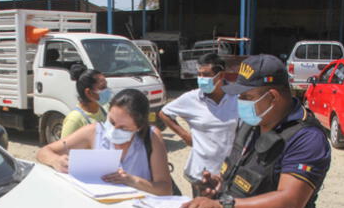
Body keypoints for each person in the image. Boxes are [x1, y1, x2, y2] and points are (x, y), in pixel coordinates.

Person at [179, 54, 331, 208]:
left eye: (247, 97)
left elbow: (289, 203)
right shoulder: (253, 124)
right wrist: (218, 185)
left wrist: (222, 207)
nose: (240, 103)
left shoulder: (306, 139)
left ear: (272, 96)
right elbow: (243, 173)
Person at [37, 89, 172, 196]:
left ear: (139, 127)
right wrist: (56, 160)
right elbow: (43, 152)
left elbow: (165, 189)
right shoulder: (93, 132)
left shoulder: (151, 137)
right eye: (112, 122)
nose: (114, 130)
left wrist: (132, 180)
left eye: (123, 128)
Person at [159, 53, 238, 197]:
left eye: (206, 75)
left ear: (220, 76)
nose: (201, 79)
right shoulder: (192, 98)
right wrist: (185, 135)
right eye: (199, 74)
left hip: (228, 171)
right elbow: (164, 113)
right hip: (201, 173)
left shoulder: (236, 98)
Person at [61, 65, 110, 138]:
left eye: (106, 86)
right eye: (103, 87)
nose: (107, 90)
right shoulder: (74, 120)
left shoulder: (106, 108)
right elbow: (64, 148)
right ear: (89, 92)